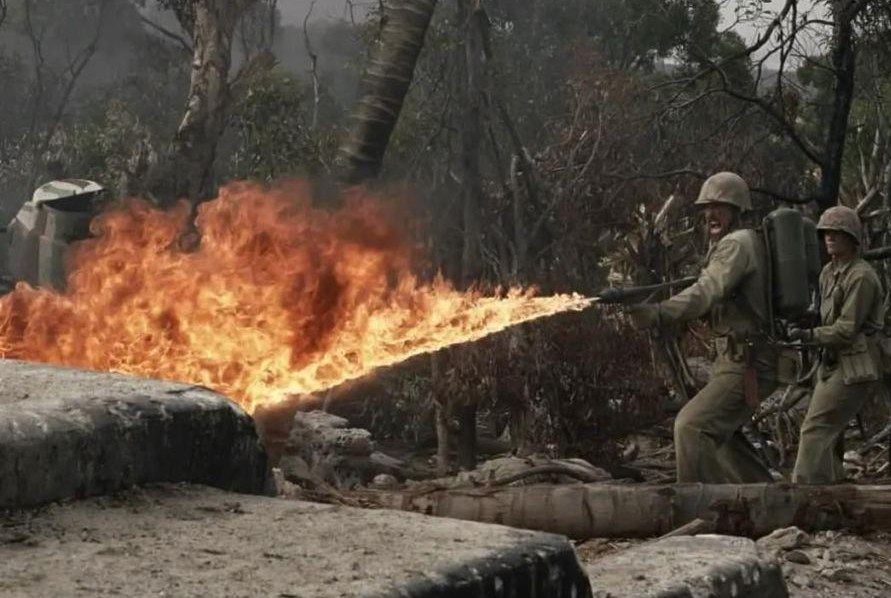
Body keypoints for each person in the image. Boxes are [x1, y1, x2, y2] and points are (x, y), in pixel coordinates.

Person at [628, 172, 777, 483]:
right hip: (740, 358)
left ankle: (701, 510)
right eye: (706, 207)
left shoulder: (736, 244)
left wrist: (658, 312)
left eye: (719, 206)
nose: (710, 214)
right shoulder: (739, 243)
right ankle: (769, 500)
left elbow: (706, 292)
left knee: (691, 427)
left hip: (746, 361)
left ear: (738, 209)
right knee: (724, 440)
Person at [789, 206, 885, 483]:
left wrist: (808, 336)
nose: (830, 237)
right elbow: (823, 315)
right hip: (832, 360)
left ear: (852, 237)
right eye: (827, 232)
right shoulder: (828, 272)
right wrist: (804, 322)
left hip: (856, 362)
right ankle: (832, 493)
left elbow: (845, 330)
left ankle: (804, 493)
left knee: (815, 428)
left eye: (838, 232)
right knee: (828, 433)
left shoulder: (861, 276)